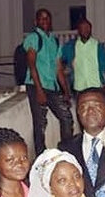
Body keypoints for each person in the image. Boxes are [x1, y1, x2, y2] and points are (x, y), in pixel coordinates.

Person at [24, 8, 74, 155]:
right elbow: (31, 64)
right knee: (40, 123)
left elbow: (59, 69)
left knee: (66, 117)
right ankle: (40, 155)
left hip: (52, 86)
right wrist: (39, 90)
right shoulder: (33, 38)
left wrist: (66, 91)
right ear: (36, 21)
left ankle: (67, 150)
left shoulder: (54, 40)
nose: (45, 21)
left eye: (47, 18)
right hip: (35, 85)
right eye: (42, 18)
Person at [58, 87, 105, 197]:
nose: (90, 111)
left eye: (96, 106)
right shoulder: (65, 149)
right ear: (78, 112)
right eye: (84, 107)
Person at [56, 18, 105, 94]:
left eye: (88, 27)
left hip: (96, 85)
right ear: (78, 30)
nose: (86, 30)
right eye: (83, 28)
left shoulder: (98, 46)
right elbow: (60, 59)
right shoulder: (71, 46)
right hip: (79, 87)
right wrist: (65, 69)